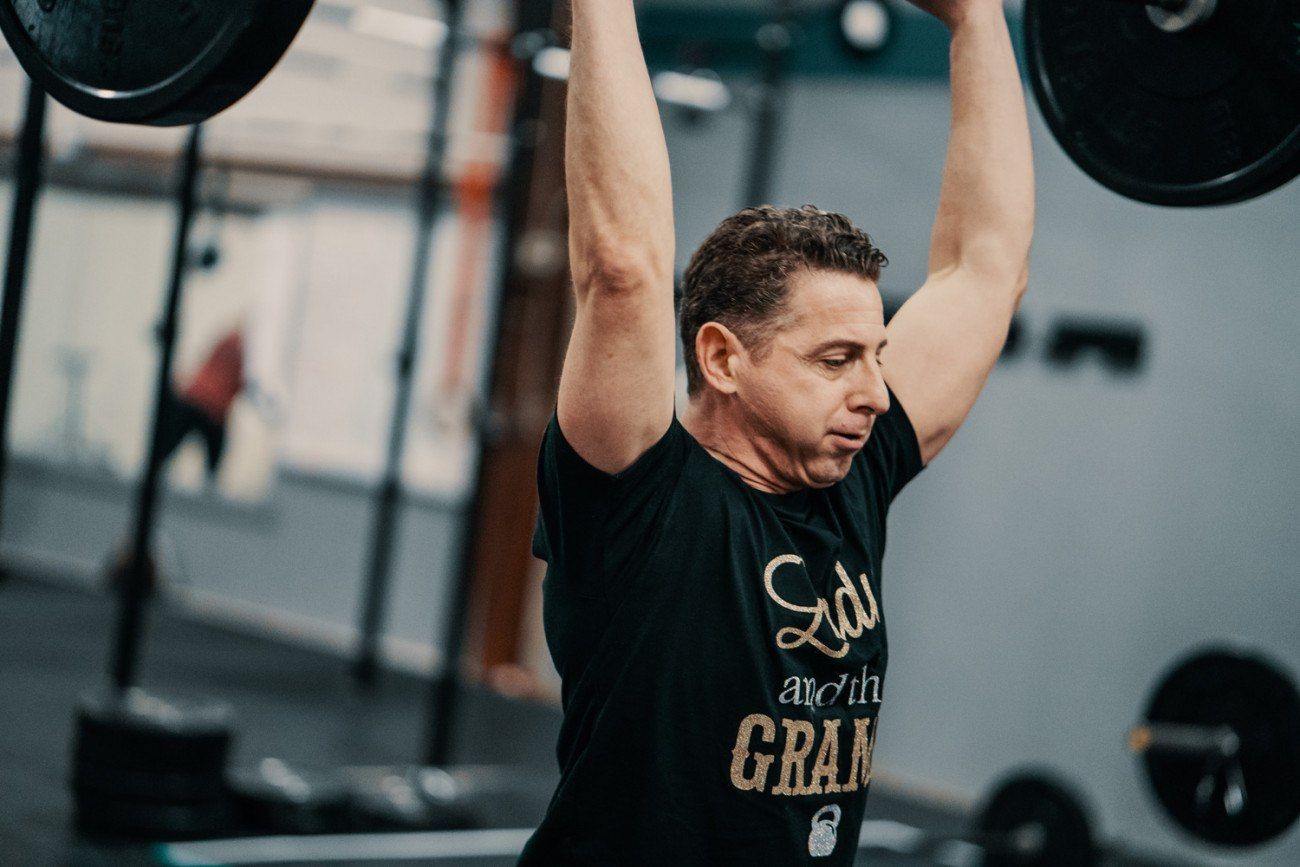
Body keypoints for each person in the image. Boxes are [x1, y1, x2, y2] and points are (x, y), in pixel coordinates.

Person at [522, 0, 1033, 862]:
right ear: (722, 358)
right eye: (835, 359)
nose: (876, 393)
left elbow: (986, 268)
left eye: (878, 353)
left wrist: (977, 20)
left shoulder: (852, 475)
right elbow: (624, 269)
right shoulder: (640, 495)